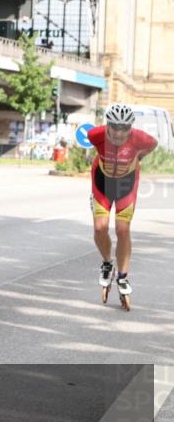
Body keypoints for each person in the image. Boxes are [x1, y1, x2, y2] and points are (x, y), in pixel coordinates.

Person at [88, 103, 157, 309]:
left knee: (122, 229)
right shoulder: (95, 135)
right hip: (102, 182)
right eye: (115, 126)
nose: (119, 132)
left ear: (131, 127)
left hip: (127, 184)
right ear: (107, 124)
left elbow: (152, 145)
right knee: (100, 227)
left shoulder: (141, 138)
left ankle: (123, 276)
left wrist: (139, 157)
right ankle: (107, 263)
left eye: (124, 128)